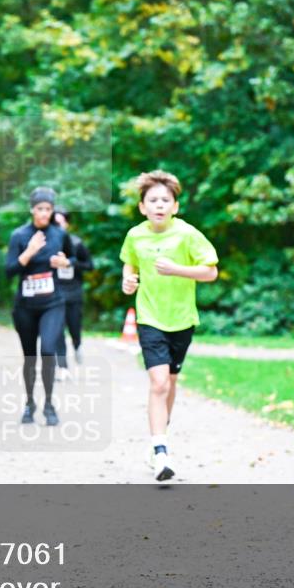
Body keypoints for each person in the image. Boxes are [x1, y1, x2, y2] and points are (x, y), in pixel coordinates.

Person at [120, 170, 219, 482]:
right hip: (150, 317)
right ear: (142, 207)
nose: (159, 205)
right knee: (159, 382)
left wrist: (178, 269)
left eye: (165, 200)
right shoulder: (136, 235)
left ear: (175, 206)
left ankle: (158, 436)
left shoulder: (188, 234)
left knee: (171, 382)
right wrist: (128, 279)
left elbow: (210, 272)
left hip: (182, 318)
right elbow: (130, 262)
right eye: (153, 200)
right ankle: (160, 449)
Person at [5, 186, 74, 426]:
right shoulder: (19, 235)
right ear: (32, 209)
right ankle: (29, 403)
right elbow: (9, 270)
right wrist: (29, 252)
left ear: (53, 210)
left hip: (52, 303)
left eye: (48, 209)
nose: (44, 213)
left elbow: (73, 258)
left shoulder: (59, 234)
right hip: (25, 306)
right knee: (30, 357)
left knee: (47, 350)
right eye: (39, 209)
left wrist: (64, 261)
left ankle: (49, 404)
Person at [53, 208, 94, 374]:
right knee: (57, 330)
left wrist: (70, 263)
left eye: (58, 223)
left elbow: (90, 266)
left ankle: (77, 346)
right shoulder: (46, 245)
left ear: (66, 224)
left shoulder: (76, 243)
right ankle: (62, 366)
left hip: (74, 293)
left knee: (74, 327)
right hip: (54, 293)